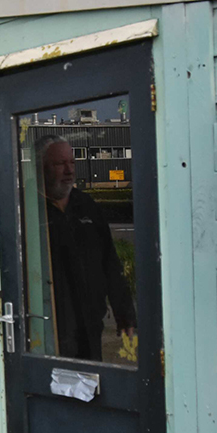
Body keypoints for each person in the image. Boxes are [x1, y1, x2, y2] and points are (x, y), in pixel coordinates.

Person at [37, 135, 136, 361]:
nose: (69, 170)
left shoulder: (87, 207)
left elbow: (109, 261)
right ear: (41, 168)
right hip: (49, 327)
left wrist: (124, 313)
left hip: (90, 323)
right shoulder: (29, 210)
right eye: (60, 164)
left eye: (72, 162)